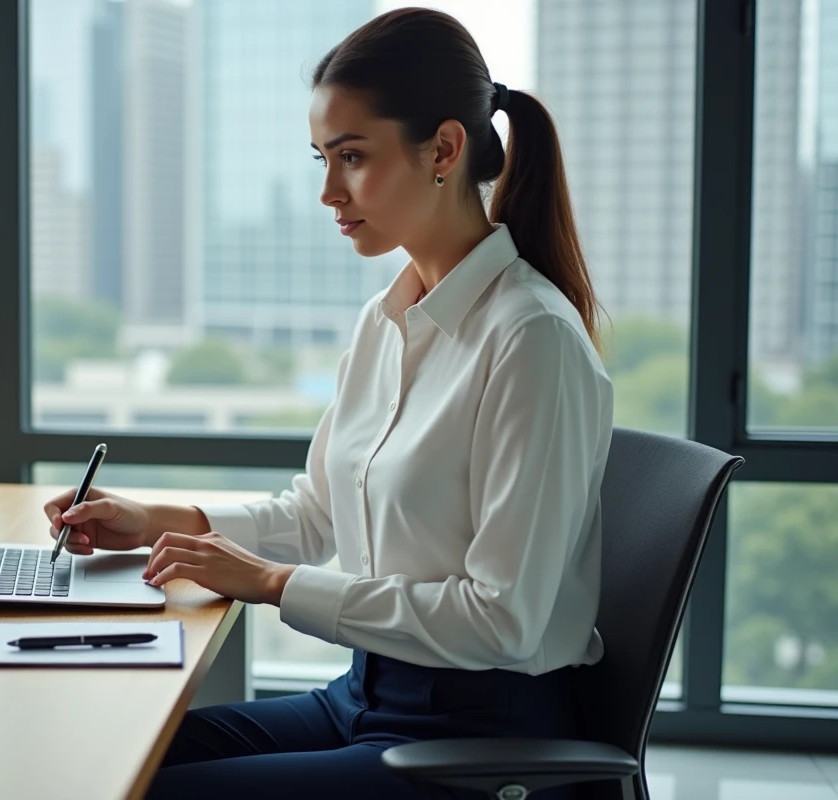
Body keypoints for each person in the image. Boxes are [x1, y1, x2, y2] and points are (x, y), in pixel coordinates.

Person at [44, 7, 613, 799]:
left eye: (351, 157)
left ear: (444, 149)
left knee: (149, 790)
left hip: (478, 734)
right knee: (108, 758)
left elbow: (503, 619)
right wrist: (156, 520)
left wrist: (275, 586)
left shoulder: (532, 340)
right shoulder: (385, 321)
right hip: (366, 699)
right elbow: (316, 515)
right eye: (321, 158)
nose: (326, 191)